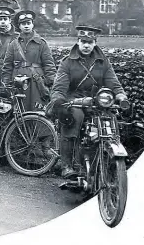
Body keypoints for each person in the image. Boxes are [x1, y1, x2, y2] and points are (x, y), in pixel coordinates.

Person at [49, 24, 128, 178]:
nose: (86, 45)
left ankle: (108, 161)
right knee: (74, 118)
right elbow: (59, 87)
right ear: (78, 42)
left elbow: (113, 82)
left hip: (97, 100)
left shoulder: (103, 61)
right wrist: (59, 102)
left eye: (90, 42)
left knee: (110, 119)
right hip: (74, 100)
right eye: (83, 41)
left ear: (95, 43)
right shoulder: (68, 62)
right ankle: (67, 165)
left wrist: (122, 97)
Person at [2, 10, 56, 111]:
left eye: (28, 23)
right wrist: (7, 83)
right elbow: (7, 66)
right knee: (19, 111)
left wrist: (49, 82)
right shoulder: (13, 44)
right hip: (18, 82)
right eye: (23, 24)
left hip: (36, 82)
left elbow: (48, 64)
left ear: (32, 24)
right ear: (19, 26)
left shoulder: (41, 43)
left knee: (37, 110)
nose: (26, 26)